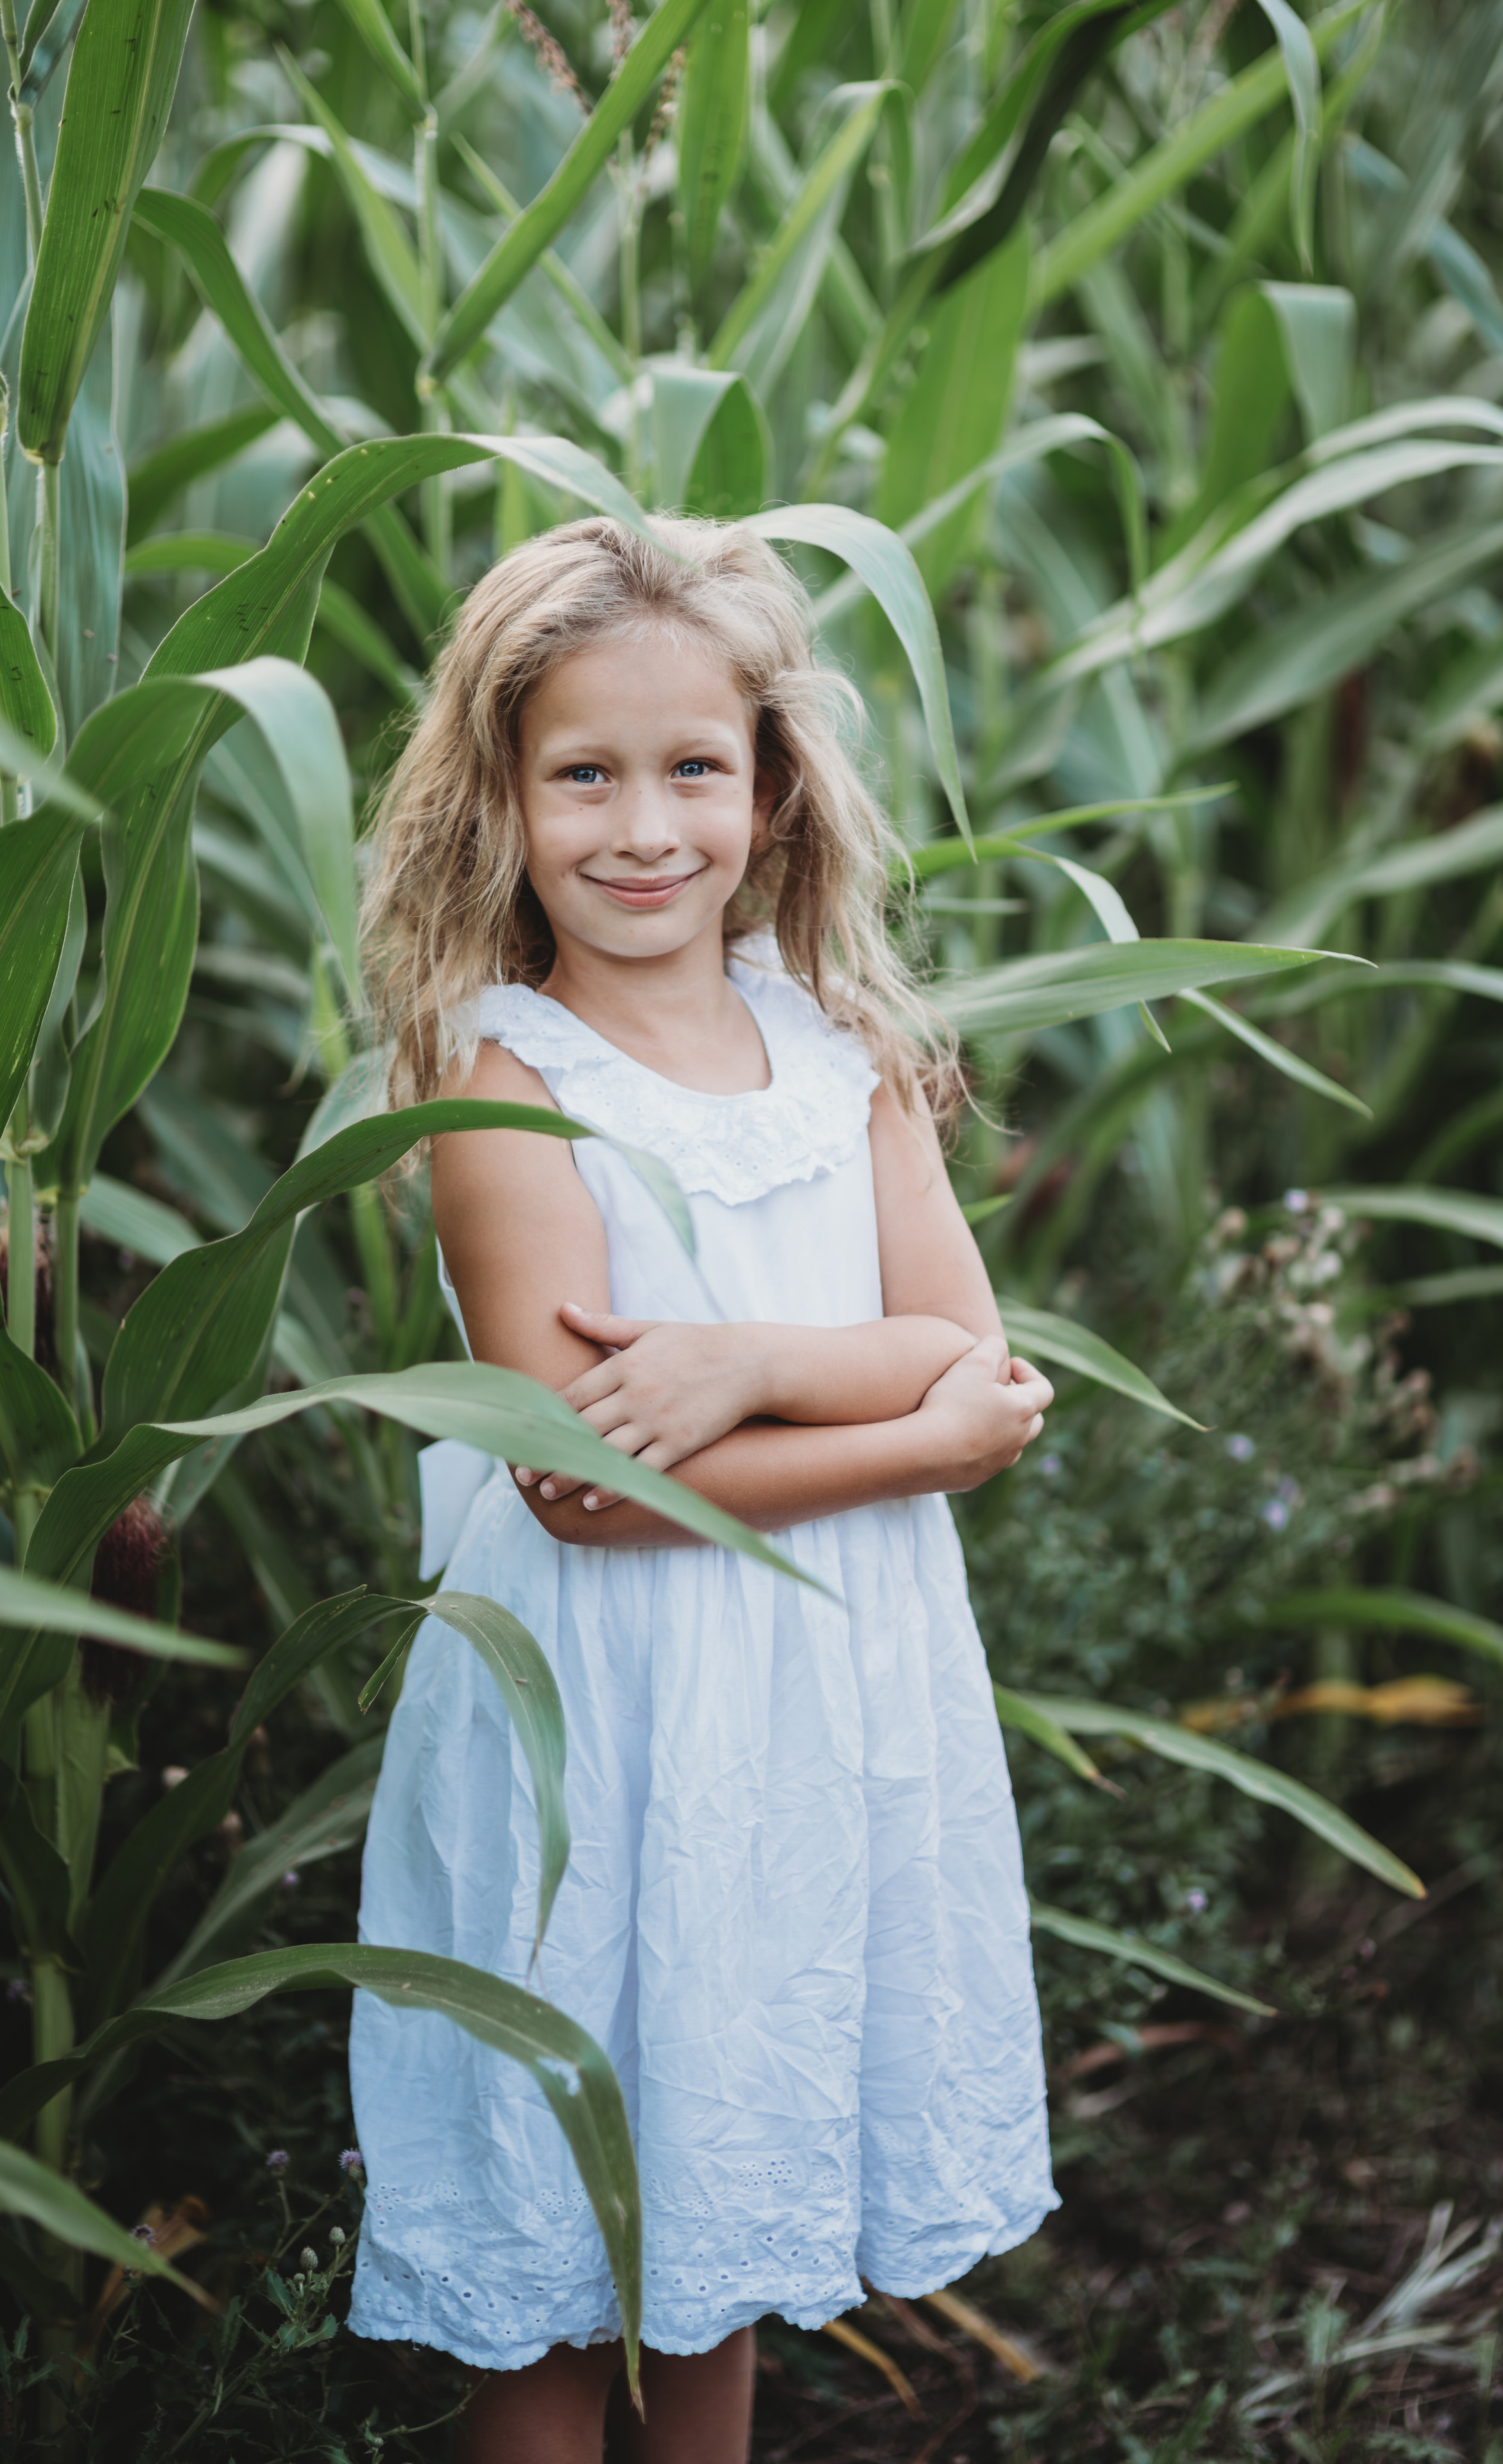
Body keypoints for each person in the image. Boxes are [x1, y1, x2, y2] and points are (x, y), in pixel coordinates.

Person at [347, 513, 1058, 2464]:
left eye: (692, 771)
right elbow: (585, 1492)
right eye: (583, 774)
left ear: (772, 789)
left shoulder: (843, 1051)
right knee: (569, 2241)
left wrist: (743, 1365)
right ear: (500, 797)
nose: (642, 827)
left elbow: (968, 1342)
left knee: (723, 2203)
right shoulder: (504, 1080)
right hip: (608, 1713)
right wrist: (924, 1438)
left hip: (806, 1715)